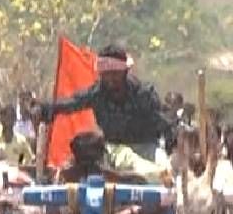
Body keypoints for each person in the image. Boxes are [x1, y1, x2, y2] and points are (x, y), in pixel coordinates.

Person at [39, 43, 170, 174]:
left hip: (147, 147)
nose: (110, 79)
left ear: (124, 72)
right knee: (130, 159)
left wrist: (173, 142)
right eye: (106, 74)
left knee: (165, 167)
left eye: (115, 74)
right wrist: (45, 109)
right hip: (114, 150)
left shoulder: (143, 94)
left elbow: (163, 122)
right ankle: (152, 174)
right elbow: (71, 102)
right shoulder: (96, 94)